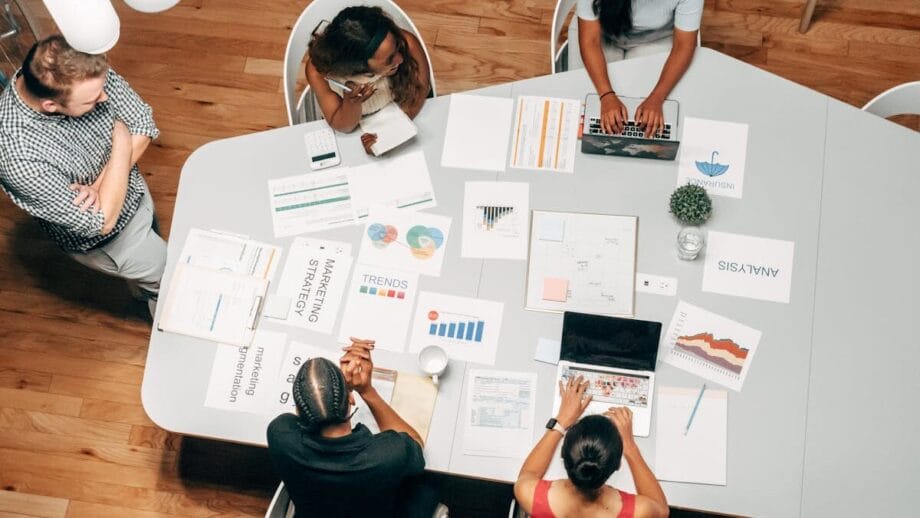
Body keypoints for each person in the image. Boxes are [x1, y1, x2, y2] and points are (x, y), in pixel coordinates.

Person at [0, 35, 164, 317]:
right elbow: (101, 220)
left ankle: (143, 288)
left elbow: (143, 123)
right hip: (114, 241)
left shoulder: (78, 69)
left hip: (135, 193)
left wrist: (101, 184)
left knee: (152, 262)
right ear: (50, 105)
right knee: (168, 281)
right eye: (91, 101)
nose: (105, 97)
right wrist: (122, 139)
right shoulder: (17, 156)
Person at [266, 338, 442, 518]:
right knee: (427, 485)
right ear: (351, 400)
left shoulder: (280, 435)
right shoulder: (387, 456)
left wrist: (333, 395)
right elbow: (415, 444)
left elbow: (303, 414)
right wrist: (366, 390)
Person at [514, 376, 669, 518]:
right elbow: (662, 510)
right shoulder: (639, 513)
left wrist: (561, 422)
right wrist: (630, 447)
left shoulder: (527, 494)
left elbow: (527, 474)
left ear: (563, 454)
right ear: (618, 464)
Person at [305, 5, 430, 153]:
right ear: (358, 67)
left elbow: (420, 90)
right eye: (389, 60)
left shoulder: (407, 42)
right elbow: (344, 127)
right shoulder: (318, 73)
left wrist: (391, 134)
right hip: (353, 128)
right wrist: (352, 103)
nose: (401, 59)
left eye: (397, 47)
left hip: (402, 113)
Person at [569, 0, 703, 138]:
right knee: (582, 117)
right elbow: (590, 41)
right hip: (600, 32)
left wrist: (657, 97)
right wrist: (606, 94)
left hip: (654, 38)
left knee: (646, 120)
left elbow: (683, 45)